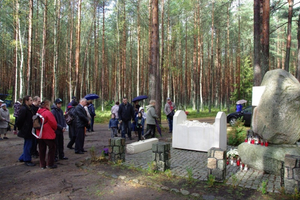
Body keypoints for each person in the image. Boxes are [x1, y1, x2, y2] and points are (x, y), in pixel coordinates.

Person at [36, 100, 58, 169]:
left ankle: (42, 164)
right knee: (52, 148)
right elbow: (53, 123)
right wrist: (54, 129)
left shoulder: (38, 112)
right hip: (48, 134)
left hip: (40, 133)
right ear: (47, 105)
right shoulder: (48, 113)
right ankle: (50, 163)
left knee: (41, 149)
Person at [16, 95, 36, 166]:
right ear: (26, 101)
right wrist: (20, 128)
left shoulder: (29, 108)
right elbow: (19, 120)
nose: (31, 101)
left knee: (28, 144)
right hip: (26, 130)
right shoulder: (24, 109)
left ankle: (22, 157)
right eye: (30, 100)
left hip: (29, 129)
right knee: (28, 145)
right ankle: (27, 160)